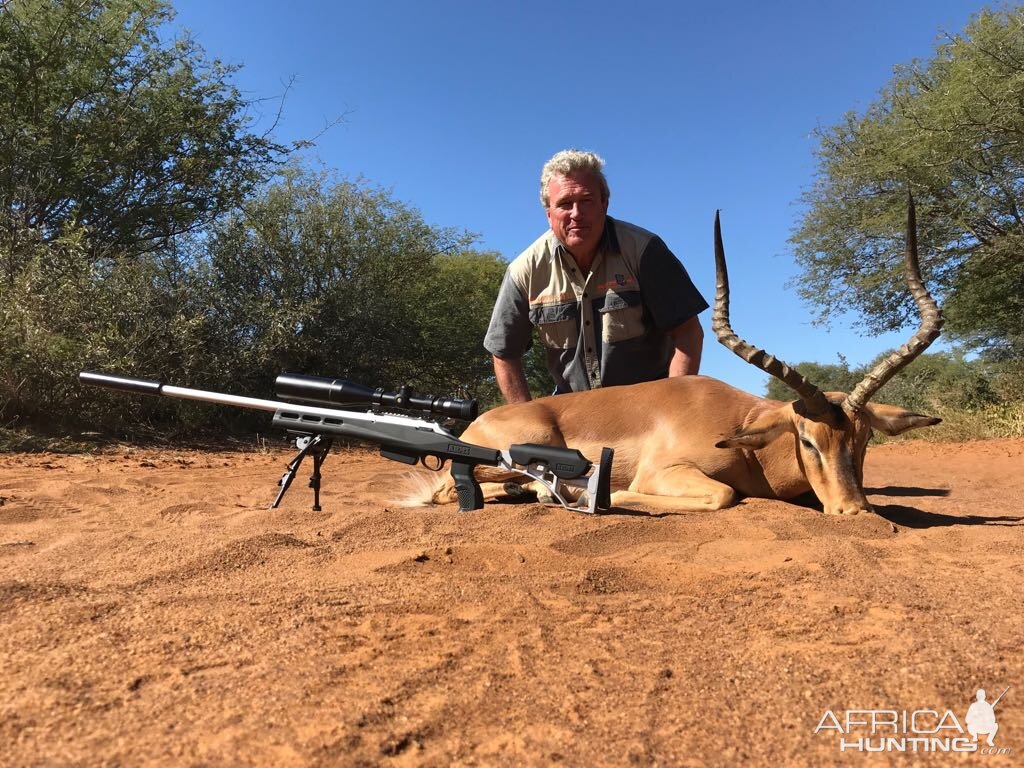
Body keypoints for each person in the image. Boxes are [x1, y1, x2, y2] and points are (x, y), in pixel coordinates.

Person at [484, 149, 708, 403]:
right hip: (574, 412)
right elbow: (503, 352)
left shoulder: (643, 250)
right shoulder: (525, 270)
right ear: (549, 213)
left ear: (605, 203)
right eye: (565, 204)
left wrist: (673, 406)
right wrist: (523, 419)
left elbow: (689, 333)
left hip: (649, 409)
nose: (576, 213)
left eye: (586, 200)